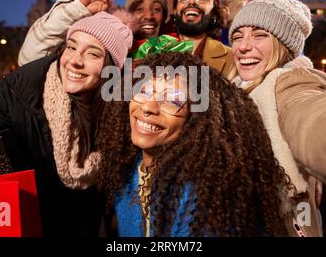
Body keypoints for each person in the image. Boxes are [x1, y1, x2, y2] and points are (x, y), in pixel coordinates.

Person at [0, 8, 136, 236]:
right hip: (24, 220)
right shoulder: (24, 85)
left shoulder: (120, 107)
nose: (75, 61)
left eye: (93, 54)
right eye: (72, 46)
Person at [96, 52, 301, 237]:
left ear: (197, 120)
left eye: (172, 101)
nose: (148, 107)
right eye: (143, 91)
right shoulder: (128, 171)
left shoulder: (208, 193)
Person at [228, 0, 326, 219]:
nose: (243, 46)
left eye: (260, 35)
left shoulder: (290, 83)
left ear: (284, 45)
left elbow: (312, 115)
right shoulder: (236, 87)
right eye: (237, 37)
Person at [18, 0, 167, 66]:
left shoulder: (177, 52)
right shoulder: (109, 53)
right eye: (139, 9)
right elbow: (29, 61)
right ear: (127, 16)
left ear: (165, 16)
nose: (148, 15)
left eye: (157, 9)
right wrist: (77, 9)